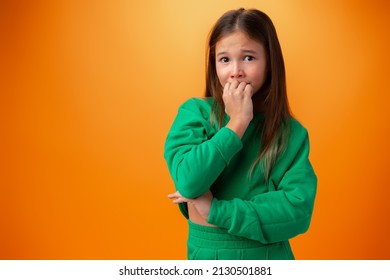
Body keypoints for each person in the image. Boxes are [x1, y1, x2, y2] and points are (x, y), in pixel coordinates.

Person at [164, 8, 317, 260]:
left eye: (248, 58)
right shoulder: (195, 114)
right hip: (207, 255)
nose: (235, 71)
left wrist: (217, 211)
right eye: (224, 59)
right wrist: (237, 122)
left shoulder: (291, 133)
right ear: (213, 64)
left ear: (270, 61)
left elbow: (297, 211)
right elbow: (189, 182)